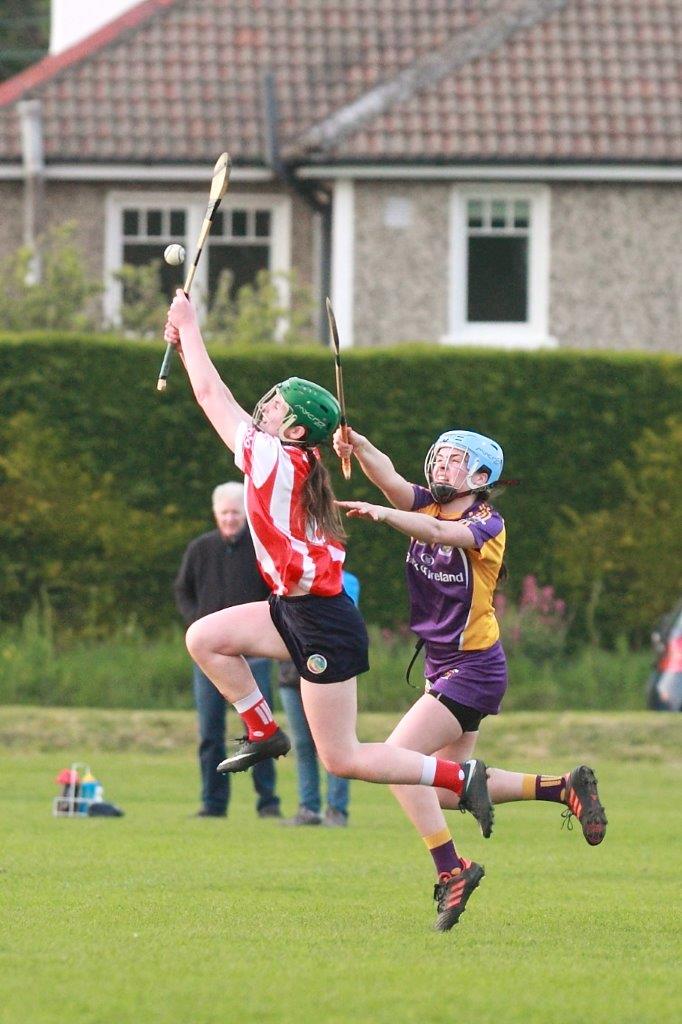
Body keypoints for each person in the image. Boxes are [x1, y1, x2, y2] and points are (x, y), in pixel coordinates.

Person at [163, 291, 495, 932]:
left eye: (276, 407)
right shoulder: (294, 455)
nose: (263, 408)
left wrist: (190, 328)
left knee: (342, 756)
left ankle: (459, 777)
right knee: (204, 637)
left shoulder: (269, 457)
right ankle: (262, 729)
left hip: (322, 623)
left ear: (292, 431)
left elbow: (211, 397)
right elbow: (229, 403)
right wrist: (188, 341)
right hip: (292, 609)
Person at [334, 426, 608, 929]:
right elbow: (390, 478)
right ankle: (561, 786)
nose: (440, 467)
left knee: (397, 764)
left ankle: (452, 869)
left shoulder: (486, 522)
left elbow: (437, 535)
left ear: (481, 476)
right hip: (445, 665)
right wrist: (357, 443)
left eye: (453, 461)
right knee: (442, 789)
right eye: (438, 458)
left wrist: (382, 514)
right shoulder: (425, 504)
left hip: (474, 669)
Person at [173, 481, 281, 820]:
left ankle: (268, 802)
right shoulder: (200, 549)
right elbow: (183, 591)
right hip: (210, 660)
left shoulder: (261, 549)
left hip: (255, 656)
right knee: (209, 733)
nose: (231, 519)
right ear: (216, 514)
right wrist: (199, 628)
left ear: (245, 514)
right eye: (225, 513)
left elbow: (276, 594)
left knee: (262, 731)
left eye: (236, 513)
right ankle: (213, 803)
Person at [279, 569, 360, 827]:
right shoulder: (283, 577)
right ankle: (308, 808)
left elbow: (340, 620)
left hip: (329, 673)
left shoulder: (346, 580)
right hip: (291, 676)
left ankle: (337, 810)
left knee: (335, 747)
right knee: (302, 745)